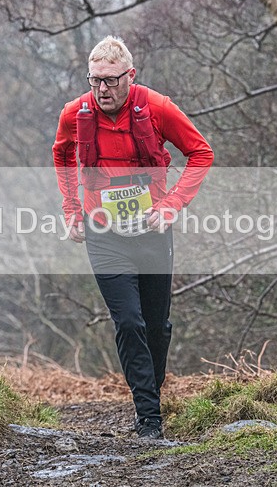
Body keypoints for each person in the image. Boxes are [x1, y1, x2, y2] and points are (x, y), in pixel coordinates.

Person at [52, 36, 214, 439]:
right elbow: (61, 154)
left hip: (152, 231)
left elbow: (201, 153)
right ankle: (149, 417)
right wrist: (71, 209)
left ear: (130, 76)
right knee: (128, 321)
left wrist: (171, 205)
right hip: (103, 232)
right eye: (95, 80)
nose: (102, 89)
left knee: (156, 326)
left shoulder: (157, 107)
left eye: (110, 80)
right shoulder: (75, 112)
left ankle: (149, 396)